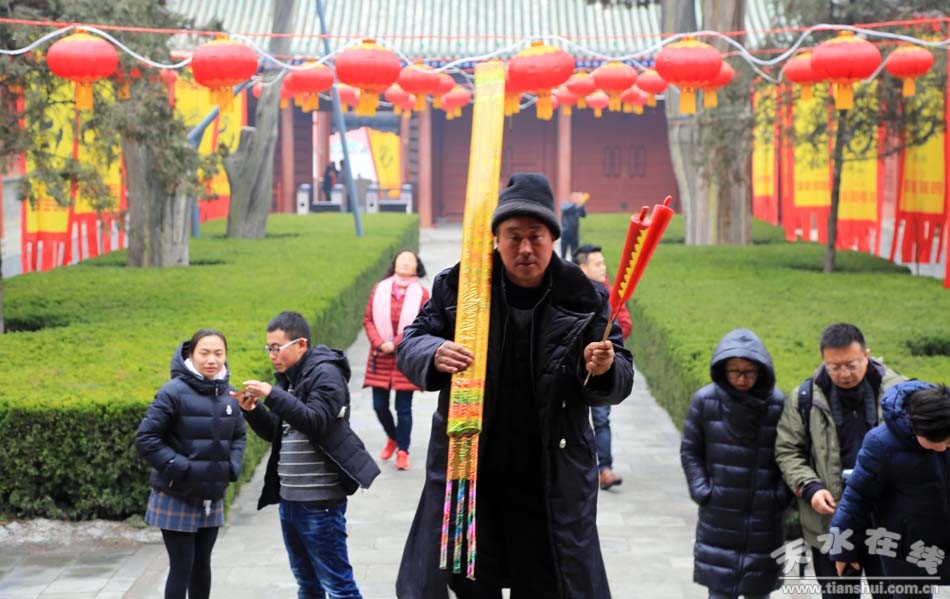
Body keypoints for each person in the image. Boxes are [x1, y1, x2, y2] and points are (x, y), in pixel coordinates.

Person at [395, 172, 634, 598]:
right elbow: (411, 342)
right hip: (473, 473)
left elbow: (620, 376)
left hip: (549, 477)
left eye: (535, 236)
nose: (525, 248)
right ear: (497, 239)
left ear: (553, 238)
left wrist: (604, 368)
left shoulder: (584, 296)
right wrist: (432, 351)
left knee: (547, 582)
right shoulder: (460, 286)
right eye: (514, 236)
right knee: (470, 582)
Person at [236, 311, 380, 599]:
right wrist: (252, 411)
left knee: (338, 587)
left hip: (319, 501)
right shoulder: (290, 378)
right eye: (268, 348)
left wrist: (273, 395)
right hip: (290, 500)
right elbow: (279, 433)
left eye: (277, 348)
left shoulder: (326, 373)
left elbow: (316, 421)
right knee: (308, 585)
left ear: (300, 344)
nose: (272, 355)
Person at [775, 323, 906, 599]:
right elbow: (788, 450)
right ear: (823, 360)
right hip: (831, 522)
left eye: (851, 365)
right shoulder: (805, 397)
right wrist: (810, 488)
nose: (844, 374)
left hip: (887, 521)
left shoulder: (899, 393)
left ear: (866, 355)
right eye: (834, 367)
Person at [681, 328, 792, 599]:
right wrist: (702, 490)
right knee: (719, 591)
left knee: (759, 590)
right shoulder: (705, 401)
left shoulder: (778, 404)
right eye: (735, 372)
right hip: (719, 514)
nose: (742, 378)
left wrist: (779, 497)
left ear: (761, 370)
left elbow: (792, 454)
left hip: (764, 519)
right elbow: (690, 450)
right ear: (723, 369)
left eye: (749, 372)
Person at [135, 329, 246, 599]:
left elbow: (239, 436)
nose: (212, 360)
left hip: (211, 495)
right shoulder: (172, 392)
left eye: (218, 353)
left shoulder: (229, 393)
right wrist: (180, 467)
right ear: (191, 355)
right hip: (176, 493)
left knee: (202, 565)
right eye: (204, 353)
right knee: (182, 566)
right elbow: (146, 438)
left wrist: (232, 466)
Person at [830, 381, 950, 597]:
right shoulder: (881, 444)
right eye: (938, 441)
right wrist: (842, 550)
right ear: (917, 428)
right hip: (907, 547)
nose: (944, 447)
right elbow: (856, 499)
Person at [362, 249, 430, 470]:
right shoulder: (379, 289)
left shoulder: (422, 294)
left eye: (410, 260)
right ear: (394, 264)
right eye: (402, 259)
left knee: (404, 408)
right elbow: (368, 320)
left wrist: (397, 342)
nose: (405, 263)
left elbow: (421, 324)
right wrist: (380, 342)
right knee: (379, 405)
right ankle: (393, 437)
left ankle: (403, 450)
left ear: (417, 266)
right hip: (379, 356)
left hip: (405, 357)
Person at [573, 243, 631, 490]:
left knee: (601, 418)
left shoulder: (610, 293)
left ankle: (604, 468)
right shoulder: (568, 296)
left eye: (603, 263)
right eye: (597, 264)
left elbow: (625, 322)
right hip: (574, 377)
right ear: (582, 268)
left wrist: (608, 346)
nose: (603, 268)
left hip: (601, 367)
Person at [559, 191, 587, 261]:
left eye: (577, 197)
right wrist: (576, 204)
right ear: (570, 198)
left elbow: (583, 215)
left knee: (574, 252)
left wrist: (582, 205)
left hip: (574, 233)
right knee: (563, 252)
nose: (576, 199)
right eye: (575, 197)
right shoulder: (565, 204)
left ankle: (574, 265)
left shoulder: (577, 207)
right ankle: (562, 265)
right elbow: (565, 209)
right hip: (565, 232)